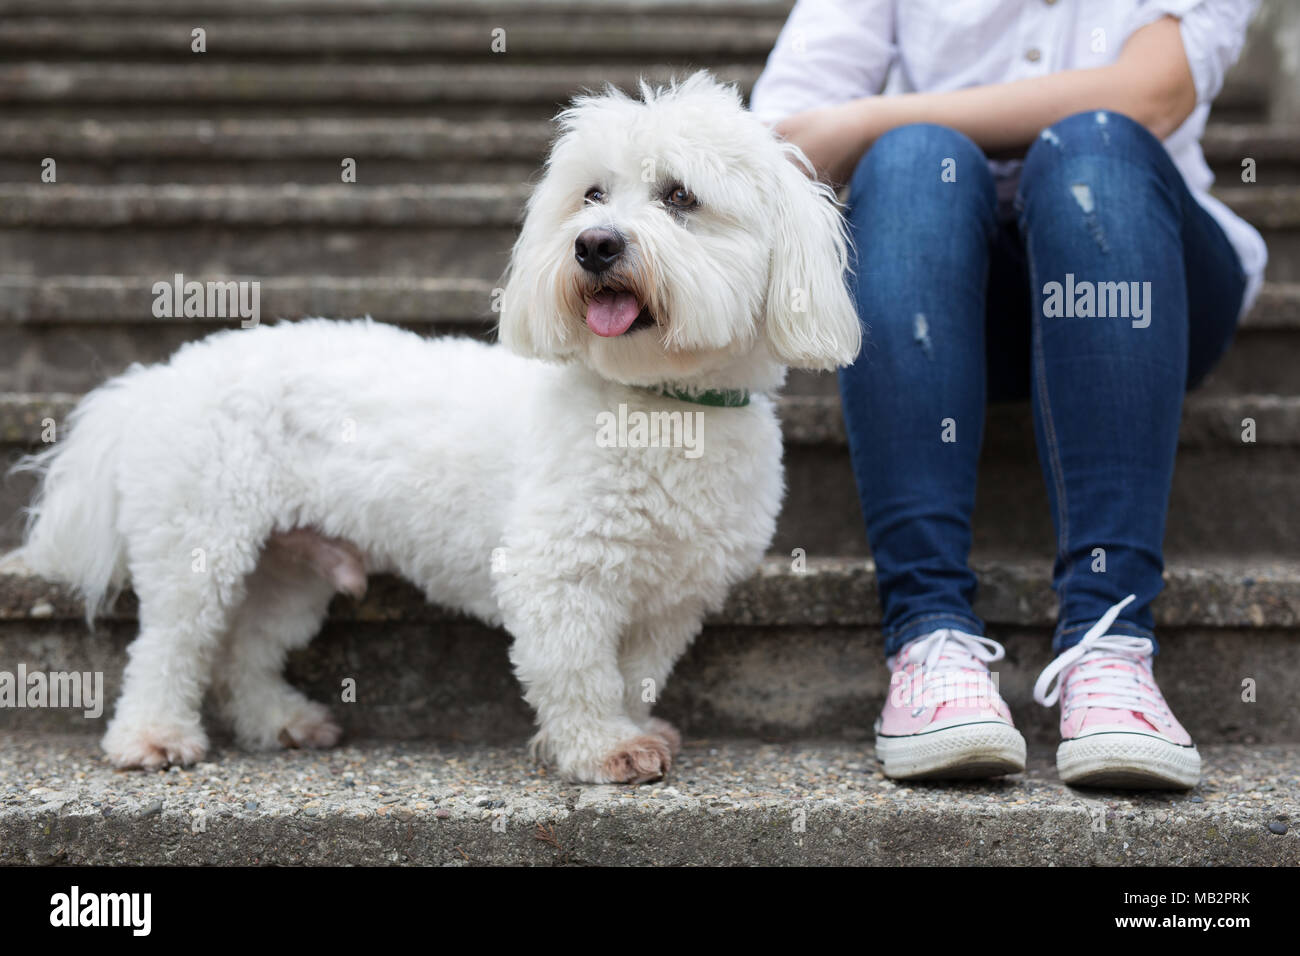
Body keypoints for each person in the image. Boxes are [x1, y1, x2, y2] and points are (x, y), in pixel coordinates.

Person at [752, 0, 1266, 788]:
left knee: (1091, 143)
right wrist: (891, 136)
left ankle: (1111, 641)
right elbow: (781, 143)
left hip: (1143, 284)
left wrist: (868, 119)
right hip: (943, 294)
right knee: (916, 159)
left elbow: (1146, 94)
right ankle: (928, 637)